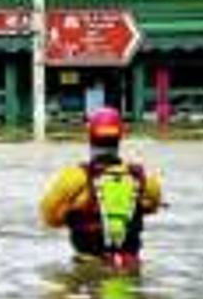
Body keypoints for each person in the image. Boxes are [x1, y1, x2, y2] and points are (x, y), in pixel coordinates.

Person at [40, 107, 162, 270]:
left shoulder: (74, 178)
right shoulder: (144, 180)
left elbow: (49, 218)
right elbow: (152, 206)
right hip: (130, 265)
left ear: (89, 135)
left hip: (87, 266)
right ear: (120, 136)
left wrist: (74, 214)